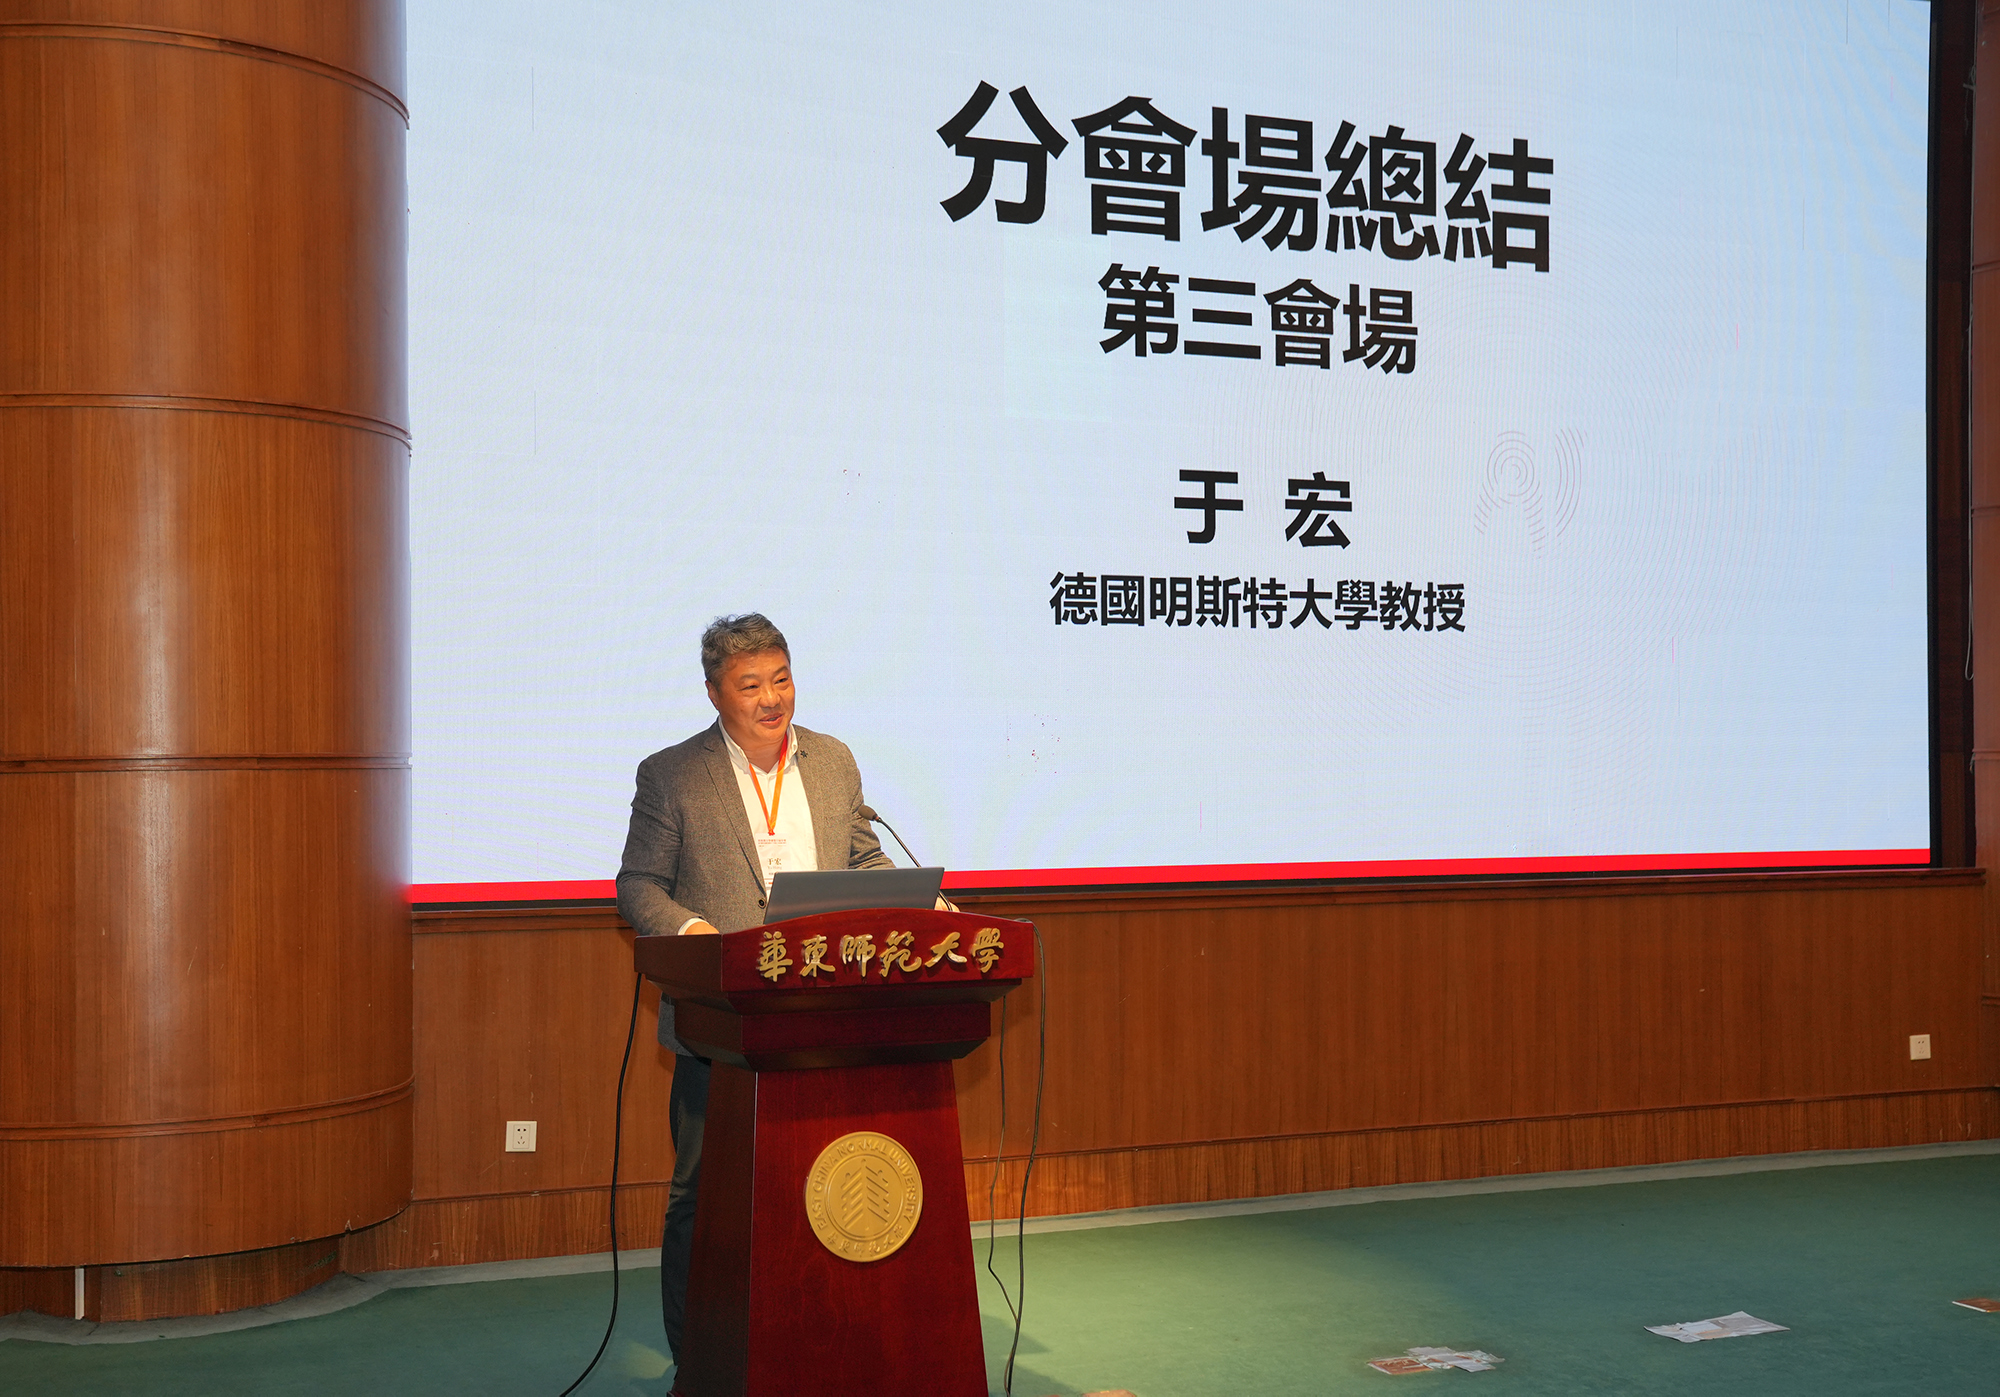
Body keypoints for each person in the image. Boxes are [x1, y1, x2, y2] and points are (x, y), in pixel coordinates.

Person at [615, 613, 895, 1364]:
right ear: (714, 693)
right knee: (704, 1194)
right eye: (750, 686)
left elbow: (863, 858)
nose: (772, 699)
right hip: (721, 1021)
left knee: (817, 1181)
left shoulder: (832, 760)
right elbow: (638, 885)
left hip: (824, 1016)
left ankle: (811, 1340)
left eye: (782, 679)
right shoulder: (672, 773)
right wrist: (696, 933)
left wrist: (924, 900)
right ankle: (699, 1355)